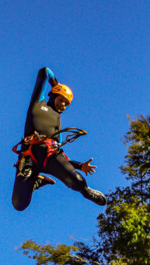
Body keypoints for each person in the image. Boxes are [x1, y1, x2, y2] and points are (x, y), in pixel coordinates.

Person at [12, 67, 108, 211]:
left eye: (66, 103)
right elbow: (44, 72)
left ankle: (86, 191)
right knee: (19, 204)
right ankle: (37, 181)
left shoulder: (57, 123)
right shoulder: (38, 104)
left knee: (77, 181)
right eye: (61, 100)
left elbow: (61, 156)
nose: (63, 105)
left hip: (50, 156)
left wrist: (80, 165)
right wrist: (55, 84)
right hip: (29, 158)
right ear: (53, 94)